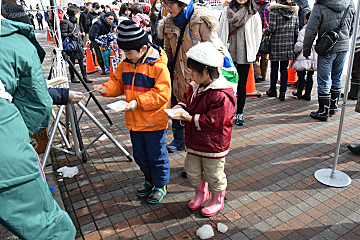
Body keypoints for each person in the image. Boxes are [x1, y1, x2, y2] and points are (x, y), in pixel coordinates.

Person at [0, 1, 76, 239]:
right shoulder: (15, 42)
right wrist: (23, 134)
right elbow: (37, 100)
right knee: (50, 229)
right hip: (8, 158)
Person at [92, 20, 171, 203]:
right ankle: (149, 181)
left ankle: (160, 184)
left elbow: (162, 94)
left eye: (129, 52)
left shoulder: (158, 66)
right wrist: (105, 89)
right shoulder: (126, 64)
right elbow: (117, 83)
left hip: (153, 122)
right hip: (135, 121)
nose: (126, 56)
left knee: (156, 155)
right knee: (140, 155)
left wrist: (138, 102)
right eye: (124, 52)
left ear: (143, 49)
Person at [171, 42, 235, 217]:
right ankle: (201, 193)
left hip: (213, 144)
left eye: (193, 71)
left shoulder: (221, 93)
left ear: (207, 71)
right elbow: (186, 100)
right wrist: (179, 107)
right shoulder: (195, 85)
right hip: (194, 140)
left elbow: (216, 121)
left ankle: (217, 198)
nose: (191, 74)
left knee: (214, 173)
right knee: (192, 170)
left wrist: (189, 118)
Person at [157, 0, 222, 153]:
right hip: (178, 77)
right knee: (178, 109)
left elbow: (216, 49)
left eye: (170, 4)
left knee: (198, 117)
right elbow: (168, 52)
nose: (167, 8)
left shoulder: (200, 20)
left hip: (200, 78)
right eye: (164, 3)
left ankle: (199, 149)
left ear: (181, 3)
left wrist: (210, 78)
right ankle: (179, 139)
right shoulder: (167, 23)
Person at [303, 0, 355, 121]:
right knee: (337, 77)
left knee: (323, 80)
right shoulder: (350, 4)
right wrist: (344, 40)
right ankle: (333, 107)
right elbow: (352, 27)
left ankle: (323, 111)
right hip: (343, 47)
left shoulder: (319, 6)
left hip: (327, 48)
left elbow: (310, 31)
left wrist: (306, 51)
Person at [219, 0, 262, 126]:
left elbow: (257, 34)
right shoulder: (227, 10)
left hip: (245, 53)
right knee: (227, 84)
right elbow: (221, 32)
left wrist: (253, 52)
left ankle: (240, 112)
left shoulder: (253, 12)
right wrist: (222, 51)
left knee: (242, 84)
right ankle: (227, 111)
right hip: (229, 52)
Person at [265, 0, 299, 101]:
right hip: (289, 45)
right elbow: (296, 30)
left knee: (274, 69)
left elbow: (271, 28)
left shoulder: (274, 11)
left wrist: (265, 32)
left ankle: (273, 90)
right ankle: (282, 93)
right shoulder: (294, 11)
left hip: (276, 44)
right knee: (284, 69)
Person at [61, 5, 92, 83]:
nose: (78, 14)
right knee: (72, 62)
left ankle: (84, 77)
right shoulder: (65, 22)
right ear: (73, 13)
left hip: (78, 45)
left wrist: (83, 45)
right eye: (77, 12)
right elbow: (63, 34)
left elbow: (78, 35)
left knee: (82, 61)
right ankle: (73, 78)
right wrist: (71, 34)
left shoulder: (76, 23)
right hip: (71, 46)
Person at [291, 11, 317, 101]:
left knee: (301, 75)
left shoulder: (304, 30)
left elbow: (299, 44)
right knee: (310, 75)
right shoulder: (318, 30)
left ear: (306, 20)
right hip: (314, 57)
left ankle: (299, 93)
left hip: (304, 56)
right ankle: (308, 94)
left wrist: (295, 51)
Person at [254, 0, 270, 83]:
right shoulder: (269, 6)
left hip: (255, 33)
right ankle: (263, 76)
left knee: (255, 57)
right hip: (266, 34)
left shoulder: (253, 5)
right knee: (265, 56)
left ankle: (257, 75)